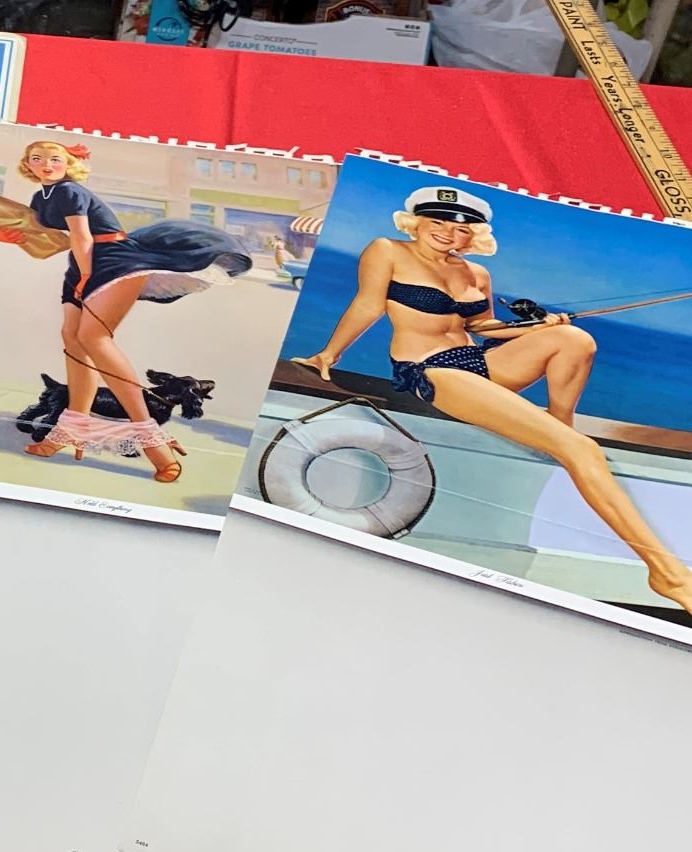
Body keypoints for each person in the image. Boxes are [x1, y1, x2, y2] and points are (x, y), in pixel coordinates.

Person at [292, 185, 692, 614]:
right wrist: (329, 354)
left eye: (461, 229)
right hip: (432, 370)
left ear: (473, 235)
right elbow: (367, 305)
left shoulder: (476, 274)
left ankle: (558, 428)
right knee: (584, 451)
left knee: (574, 338)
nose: (448, 233)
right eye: (437, 222)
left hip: (477, 362)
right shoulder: (387, 250)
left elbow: (482, 327)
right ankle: (667, 574)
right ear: (416, 222)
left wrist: (538, 326)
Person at [0, 139, 250, 483]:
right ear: (27, 164)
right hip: (83, 263)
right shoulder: (41, 198)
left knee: (94, 337)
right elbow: (53, 240)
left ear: (68, 164)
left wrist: (85, 276)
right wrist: (12, 236)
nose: (46, 164)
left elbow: (83, 237)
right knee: (72, 338)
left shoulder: (70, 191)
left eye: (55, 159)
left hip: (115, 260)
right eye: (37, 158)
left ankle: (154, 444)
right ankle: (71, 429)